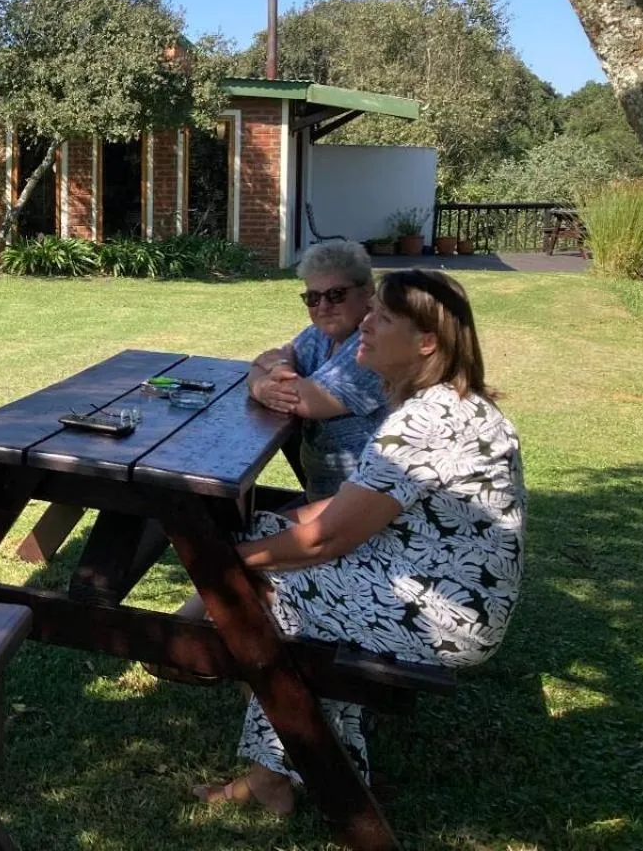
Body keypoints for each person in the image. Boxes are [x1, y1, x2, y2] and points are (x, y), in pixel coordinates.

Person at [193, 269, 525, 815]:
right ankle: (299, 764)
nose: (365, 323)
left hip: (443, 614)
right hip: (434, 583)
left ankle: (291, 774)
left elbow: (329, 541)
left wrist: (225, 567)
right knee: (271, 547)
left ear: (426, 343)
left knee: (269, 599)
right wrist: (269, 537)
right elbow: (358, 501)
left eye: (384, 317)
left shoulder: (422, 422)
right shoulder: (443, 404)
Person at [248, 240, 389, 500]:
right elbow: (264, 361)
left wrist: (267, 378)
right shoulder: (321, 335)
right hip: (328, 497)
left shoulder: (374, 345)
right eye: (312, 298)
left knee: (229, 524)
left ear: (367, 292)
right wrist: (267, 378)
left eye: (336, 294)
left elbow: (311, 401)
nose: (323, 307)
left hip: (365, 507)